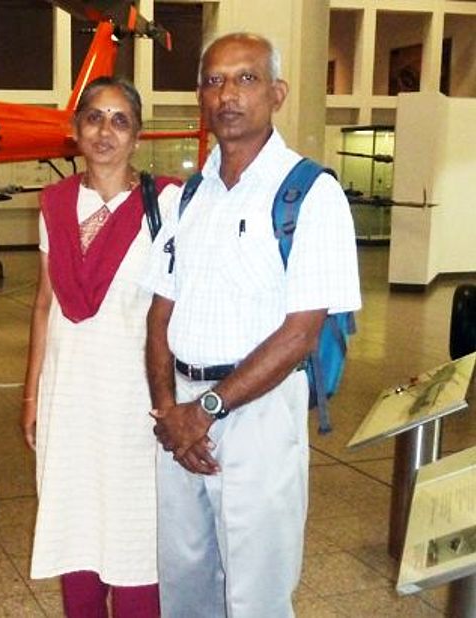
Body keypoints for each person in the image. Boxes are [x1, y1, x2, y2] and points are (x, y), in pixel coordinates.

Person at [142, 33, 361, 617]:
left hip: (257, 418)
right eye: (214, 81)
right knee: (184, 584)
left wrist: (204, 411)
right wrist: (169, 409)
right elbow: (160, 312)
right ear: (199, 97)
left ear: (277, 93)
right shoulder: (188, 198)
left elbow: (301, 333)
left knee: (257, 590)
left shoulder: (311, 195)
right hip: (180, 419)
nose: (228, 95)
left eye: (246, 79)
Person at [20, 76, 181, 617]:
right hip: (69, 396)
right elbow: (45, 304)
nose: (105, 130)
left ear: (137, 136)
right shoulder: (55, 204)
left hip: (136, 398)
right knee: (76, 522)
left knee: (135, 530)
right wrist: (31, 396)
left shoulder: (168, 204)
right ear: (76, 130)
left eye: (120, 120)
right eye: (94, 117)